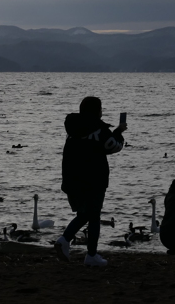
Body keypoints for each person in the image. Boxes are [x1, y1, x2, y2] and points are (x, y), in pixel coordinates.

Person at [54, 96, 126, 267]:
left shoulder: (72, 129)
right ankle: (89, 254)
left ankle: (66, 241)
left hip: (72, 179)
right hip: (94, 179)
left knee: (85, 214)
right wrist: (119, 132)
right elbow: (113, 146)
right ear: (97, 111)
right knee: (93, 215)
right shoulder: (99, 129)